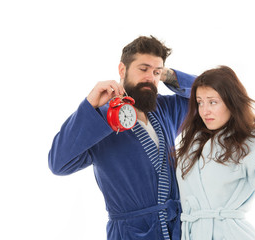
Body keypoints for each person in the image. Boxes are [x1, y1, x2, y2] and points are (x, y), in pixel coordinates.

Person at [48, 36, 196, 240]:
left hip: (177, 230)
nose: (150, 77)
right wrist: (90, 106)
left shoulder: (165, 109)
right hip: (130, 233)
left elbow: (205, 92)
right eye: (143, 69)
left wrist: (167, 75)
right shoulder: (100, 119)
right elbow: (58, 163)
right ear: (122, 70)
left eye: (156, 72)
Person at [175, 65, 255, 240]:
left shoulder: (250, 141)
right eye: (200, 102)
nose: (204, 110)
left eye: (213, 102)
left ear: (231, 102)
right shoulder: (192, 143)